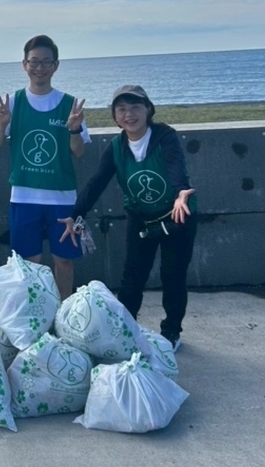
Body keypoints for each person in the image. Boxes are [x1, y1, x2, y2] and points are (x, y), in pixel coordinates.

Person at [60, 85, 196, 350]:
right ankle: (126, 328)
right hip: (141, 218)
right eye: (121, 109)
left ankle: (171, 332)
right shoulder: (116, 147)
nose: (129, 114)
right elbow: (97, 182)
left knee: (173, 276)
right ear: (115, 116)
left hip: (177, 215)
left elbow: (175, 165)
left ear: (148, 109)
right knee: (132, 278)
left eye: (135, 107)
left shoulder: (165, 136)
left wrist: (181, 193)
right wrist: (75, 215)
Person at [0, 35, 90, 298]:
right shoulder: (14, 102)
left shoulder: (70, 105)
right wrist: (1, 122)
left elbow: (78, 152)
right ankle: (36, 314)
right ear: (24, 64)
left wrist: (74, 129)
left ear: (56, 65)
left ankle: (64, 314)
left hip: (62, 196)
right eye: (34, 62)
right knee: (29, 264)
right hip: (24, 196)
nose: (40, 68)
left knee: (63, 261)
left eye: (46, 62)